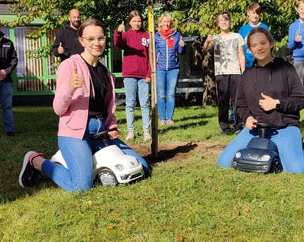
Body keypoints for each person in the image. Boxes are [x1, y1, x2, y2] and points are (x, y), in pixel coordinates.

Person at [19, 19, 149, 191]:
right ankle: (36, 161)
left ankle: (92, 164)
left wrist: (112, 125)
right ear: (81, 41)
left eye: (101, 38)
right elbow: (58, 108)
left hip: (101, 132)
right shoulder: (69, 66)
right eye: (91, 39)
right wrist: (71, 87)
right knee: (81, 185)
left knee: (142, 167)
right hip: (75, 133)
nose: (97, 43)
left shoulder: (107, 74)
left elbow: (108, 109)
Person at [217, 27, 304, 173]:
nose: (259, 48)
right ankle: (275, 150)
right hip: (256, 130)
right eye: (254, 45)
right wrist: (248, 118)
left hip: (284, 127)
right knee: (224, 162)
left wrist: (277, 103)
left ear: (271, 44)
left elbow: (300, 100)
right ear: (250, 49)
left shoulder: (286, 68)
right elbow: (240, 106)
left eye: (263, 43)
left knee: (296, 169)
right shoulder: (247, 75)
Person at [203, 11, 245, 135]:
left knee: (237, 100)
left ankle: (238, 127)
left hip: (235, 72)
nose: (224, 22)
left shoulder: (237, 36)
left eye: (226, 20)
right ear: (217, 24)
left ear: (230, 22)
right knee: (223, 101)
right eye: (221, 21)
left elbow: (241, 55)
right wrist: (207, 40)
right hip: (221, 72)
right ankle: (225, 128)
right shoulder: (215, 38)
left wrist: (243, 72)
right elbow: (206, 48)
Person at [114, 11, 152, 141]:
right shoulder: (125, 35)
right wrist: (118, 33)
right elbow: (118, 44)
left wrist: (149, 74)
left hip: (143, 76)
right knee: (130, 103)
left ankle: (146, 131)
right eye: (134, 21)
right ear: (129, 22)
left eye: (139, 21)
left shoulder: (146, 36)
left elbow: (151, 56)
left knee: (145, 103)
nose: (137, 23)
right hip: (129, 75)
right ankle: (131, 130)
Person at [154, 13, 185, 126]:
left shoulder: (176, 35)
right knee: (161, 94)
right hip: (160, 69)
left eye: (168, 22)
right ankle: (162, 118)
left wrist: (182, 45)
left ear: (170, 23)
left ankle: (170, 118)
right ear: (160, 23)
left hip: (173, 69)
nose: (166, 23)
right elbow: (154, 52)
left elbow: (181, 52)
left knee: (171, 94)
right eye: (164, 21)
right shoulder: (156, 36)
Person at [238, 3, 269, 68]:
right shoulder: (243, 29)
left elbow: (269, 47)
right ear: (248, 13)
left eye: (257, 13)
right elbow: (239, 49)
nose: (255, 16)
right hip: (247, 65)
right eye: (253, 13)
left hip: (262, 64)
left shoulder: (264, 27)